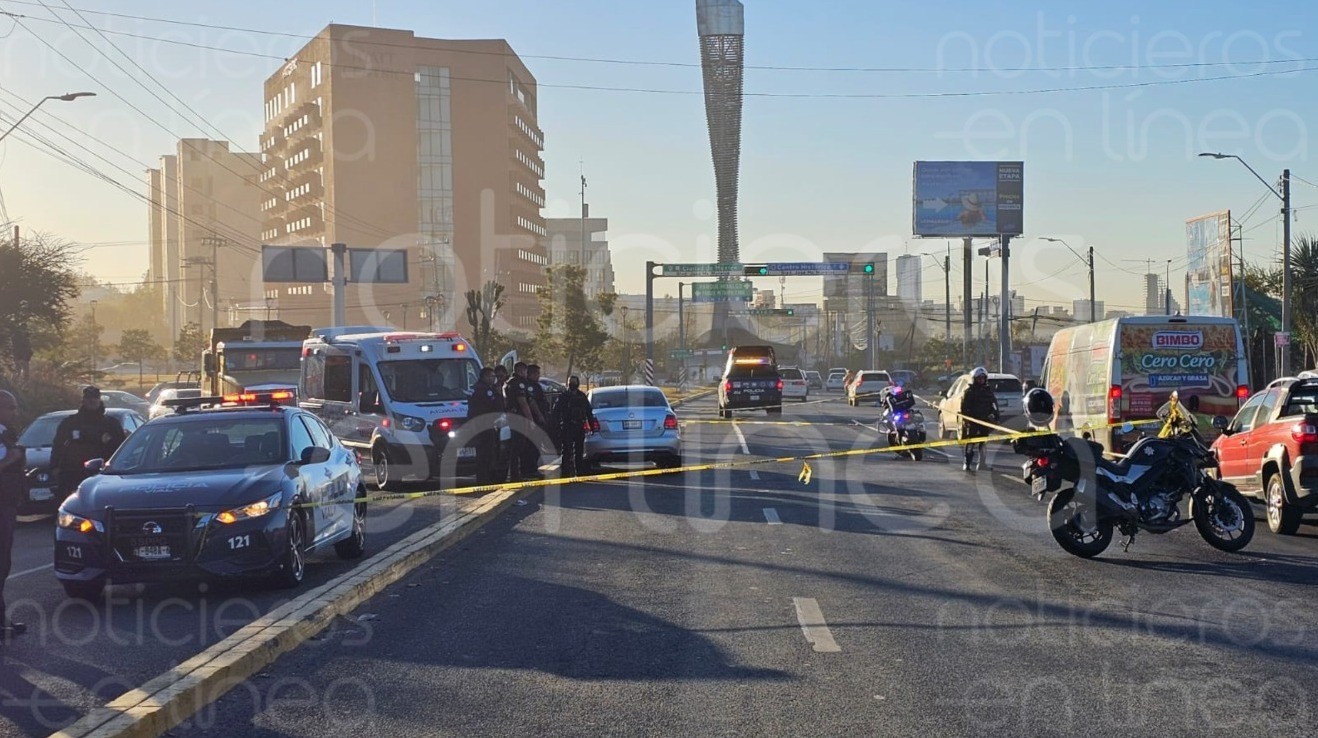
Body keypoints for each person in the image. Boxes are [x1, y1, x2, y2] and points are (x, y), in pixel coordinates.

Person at [51, 386, 127, 499]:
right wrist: (55, 466)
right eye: (88, 398)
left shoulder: (111, 424)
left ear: (99, 399)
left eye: (95, 398)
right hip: (74, 473)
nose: (91, 401)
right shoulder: (70, 423)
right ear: (83, 400)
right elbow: (58, 445)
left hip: (104, 474)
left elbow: (121, 448)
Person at [0, 389, 27, 642]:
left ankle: (2, 621)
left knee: (4, 564)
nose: (15, 412)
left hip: (7, 505)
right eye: (10, 407)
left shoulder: (7, 435)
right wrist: (12, 459)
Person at [503, 363, 541, 481]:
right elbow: (523, 403)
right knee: (518, 447)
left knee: (517, 447)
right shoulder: (519, 383)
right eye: (525, 371)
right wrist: (531, 420)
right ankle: (515, 475)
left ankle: (516, 474)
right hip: (519, 419)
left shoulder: (509, 382)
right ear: (521, 371)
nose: (526, 374)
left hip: (512, 418)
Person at [553, 376, 596, 477]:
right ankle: (565, 474)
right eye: (571, 382)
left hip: (579, 426)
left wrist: (592, 426)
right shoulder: (563, 396)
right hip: (567, 426)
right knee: (567, 451)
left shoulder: (582, 396)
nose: (572, 384)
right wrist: (557, 427)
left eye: (574, 382)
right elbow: (556, 412)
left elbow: (588, 412)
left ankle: (579, 472)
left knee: (579, 451)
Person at [468, 367, 503, 485]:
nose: (493, 379)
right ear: (484, 377)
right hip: (485, 424)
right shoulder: (485, 390)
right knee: (486, 453)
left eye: (494, 376)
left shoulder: (476, 388)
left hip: (479, 424)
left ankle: (483, 478)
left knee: (483, 453)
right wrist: (498, 394)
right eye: (491, 376)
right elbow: (496, 406)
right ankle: (484, 479)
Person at [959, 367, 999, 472]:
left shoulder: (988, 391)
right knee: (971, 442)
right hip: (973, 421)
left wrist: (996, 417)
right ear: (974, 379)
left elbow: (994, 405)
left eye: (983, 378)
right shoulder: (969, 392)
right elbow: (964, 408)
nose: (981, 380)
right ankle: (967, 463)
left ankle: (982, 464)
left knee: (983, 443)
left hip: (985, 421)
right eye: (979, 378)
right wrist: (966, 420)